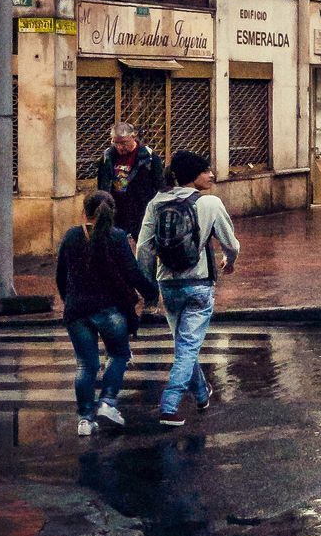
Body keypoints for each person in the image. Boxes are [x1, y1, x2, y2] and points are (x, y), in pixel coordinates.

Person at [138, 150, 240, 427]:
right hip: (199, 284)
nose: (211, 175)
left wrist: (147, 288)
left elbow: (143, 248)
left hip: (167, 284)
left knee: (185, 344)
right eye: (206, 171)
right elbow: (231, 243)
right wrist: (229, 262)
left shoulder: (156, 203)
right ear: (193, 176)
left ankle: (201, 392)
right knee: (187, 347)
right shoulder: (210, 203)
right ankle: (169, 405)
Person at [56, 190, 159, 435]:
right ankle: (108, 401)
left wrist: (68, 299)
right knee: (119, 354)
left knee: (85, 365)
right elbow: (132, 273)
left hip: (77, 311)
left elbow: (61, 275)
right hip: (110, 310)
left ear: (85, 212)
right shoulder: (117, 237)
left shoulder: (71, 236)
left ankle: (84, 420)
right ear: (112, 213)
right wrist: (152, 291)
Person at [96, 122, 165, 240]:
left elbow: (159, 183)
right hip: (116, 208)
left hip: (140, 208)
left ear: (133, 137)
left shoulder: (148, 156)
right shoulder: (107, 156)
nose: (119, 147)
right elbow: (102, 183)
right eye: (115, 142)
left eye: (123, 143)